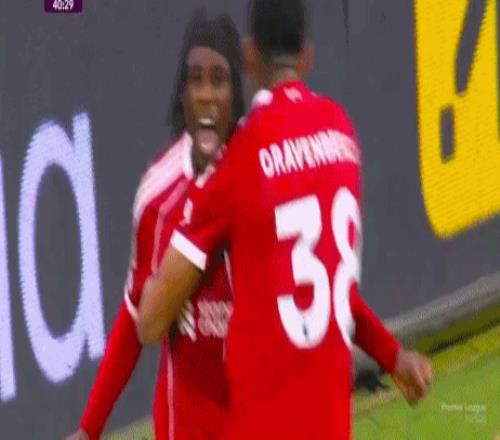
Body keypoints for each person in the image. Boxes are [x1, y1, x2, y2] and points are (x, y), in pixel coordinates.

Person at [137, 1, 432, 439]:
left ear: (249, 55)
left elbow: (150, 322)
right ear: (307, 56)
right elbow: (327, 286)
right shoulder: (341, 134)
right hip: (330, 425)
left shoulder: (242, 157)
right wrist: (393, 355)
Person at [65, 9, 244, 440]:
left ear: (235, 94)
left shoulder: (262, 177)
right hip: (186, 425)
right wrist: (89, 428)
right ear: (182, 94)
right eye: (195, 80)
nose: (206, 95)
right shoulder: (159, 197)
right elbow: (134, 319)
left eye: (218, 80)